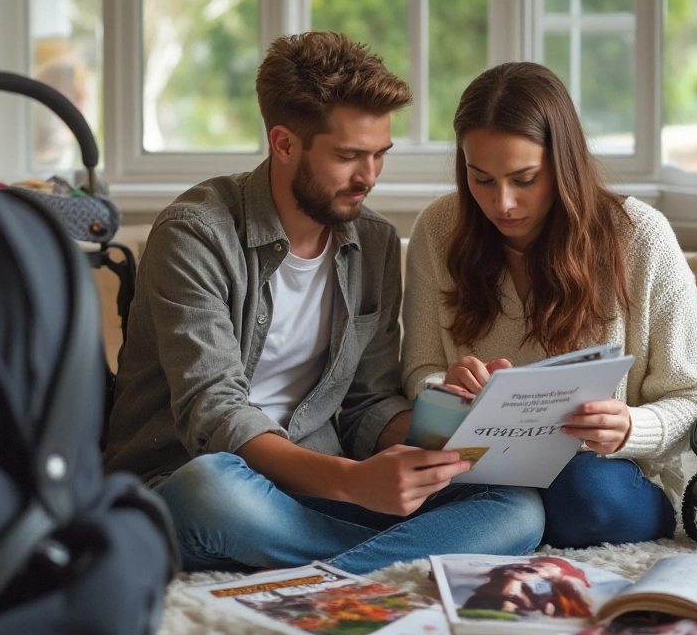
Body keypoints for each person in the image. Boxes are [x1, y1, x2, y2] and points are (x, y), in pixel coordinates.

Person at [104, 32, 545, 574]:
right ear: (285, 144)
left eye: (380, 155)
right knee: (210, 488)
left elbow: (368, 404)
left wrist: (453, 425)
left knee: (518, 509)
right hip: (194, 478)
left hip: (320, 487)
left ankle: (331, 576)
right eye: (348, 157)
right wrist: (353, 482)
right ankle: (380, 563)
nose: (369, 177)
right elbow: (214, 413)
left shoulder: (374, 242)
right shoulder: (194, 234)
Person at [401, 61, 697, 549]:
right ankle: (505, 518)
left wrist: (632, 427)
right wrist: (442, 386)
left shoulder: (641, 237)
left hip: (599, 475)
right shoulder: (439, 229)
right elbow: (418, 369)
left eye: (524, 178)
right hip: (481, 465)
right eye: (481, 179)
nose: (503, 204)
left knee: (585, 494)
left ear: (563, 164)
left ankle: (501, 523)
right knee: (398, 477)